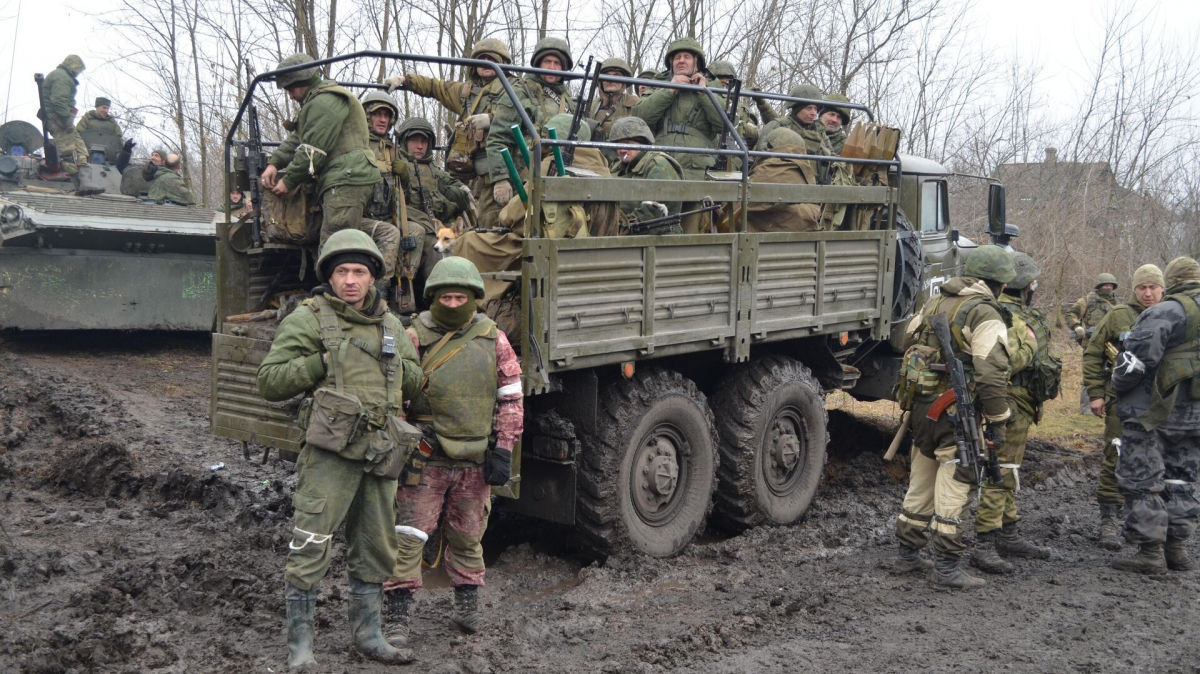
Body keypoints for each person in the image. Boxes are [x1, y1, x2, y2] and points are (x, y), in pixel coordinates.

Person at [256, 229, 423, 667]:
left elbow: (416, 382)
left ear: (373, 278)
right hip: (329, 456)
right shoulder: (308, 318)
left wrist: (402, 367)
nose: (351, 280)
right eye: (343, 272)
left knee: (375, 545)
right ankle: (301, 648)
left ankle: (369, 635)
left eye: (360, 272)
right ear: (329, 277)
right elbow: (270, 381)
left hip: (379, 454)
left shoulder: (390, 324)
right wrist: (322, 363)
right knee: (311, 544)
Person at [383, 256, 524, 639]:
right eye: (445, 298)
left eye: (460, 297)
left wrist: (504, 449)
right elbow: (396, 395)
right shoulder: (414, 336)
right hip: (425, 457)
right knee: (409, 535)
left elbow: (511, 396)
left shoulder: (493, 338)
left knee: (468, 534)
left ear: (474, 297)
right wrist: (402, 443)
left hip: (476, 459)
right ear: (433, 298)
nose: (452, 303)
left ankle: (467, 608)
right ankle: (396, 615)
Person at [893, 244, 1015, 590]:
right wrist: (998, 419)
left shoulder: (936, 301)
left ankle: (907, 554)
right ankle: (947, 568)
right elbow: (991, 374)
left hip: (921, 409)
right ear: (1001, 284)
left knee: (921, 479)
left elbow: (905, 338)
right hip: (954, 414)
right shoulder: (985, 313)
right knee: (957, 480)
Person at [259, 54, 394, 273]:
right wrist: (274, 162)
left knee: (335, 246)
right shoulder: (317, 102)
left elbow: (312, 151)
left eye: (290, 89)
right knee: (338, 239)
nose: (291, 95)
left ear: (301, 82)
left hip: (346, 179)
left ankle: (337, 301)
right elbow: (298, 137)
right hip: (344, 178)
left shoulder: (325, 101)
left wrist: (289, 181)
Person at [1110, 256, 1200, 575]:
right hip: (1194, 416)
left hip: (1154, 412)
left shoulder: (1165, 312)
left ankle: (1150, 553)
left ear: (1171, 282)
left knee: (1142, 478)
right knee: (1181, 479)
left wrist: (1117, 388)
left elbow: (1134, 362)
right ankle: (1177, 550)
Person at [970, 252, 1054, 574]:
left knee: (1009, 471)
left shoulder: (1006, 314)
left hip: (1020, 404)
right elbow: (1002, 366)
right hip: (1009, 405)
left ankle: (1009, 531)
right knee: (1000, 471)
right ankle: (985, 543)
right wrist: (1030, 347)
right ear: (1025, 287)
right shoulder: (1008, 319)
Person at [384, 38, 512, 228]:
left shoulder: (514, 90)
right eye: (482, 58)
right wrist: (405, 80)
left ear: (502, 63)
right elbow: (437, 87)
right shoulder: (467, 93)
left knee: (495, 223)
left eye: (492, 59)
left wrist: (493, 120)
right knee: (475, 223)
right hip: (470, 170)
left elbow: (525, 118)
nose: (486, 63)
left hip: (502, 170)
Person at [1082, 264, 1164, 550]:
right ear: (1134, 289)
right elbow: (1093, 353)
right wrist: (1095, 393)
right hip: (1122, 400)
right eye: (1142, 287)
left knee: (1155, 461)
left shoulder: (1171, 315)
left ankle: (1145, 525)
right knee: (1115, 455)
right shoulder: (1119, 315)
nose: (1148, 293)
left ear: (1162, 288)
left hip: (1161, 402)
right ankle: (1108, 521)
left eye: (1153, 287)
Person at [486, 37, 576, 208]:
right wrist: (501, 179)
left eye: (557, 63)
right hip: (525, 180)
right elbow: (498, 137)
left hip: (561, 180)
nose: (552, 67)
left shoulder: (569, 101)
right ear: (537, 64)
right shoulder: (521, 92)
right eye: (547, 62)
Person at [632, 37, 724, 184]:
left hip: (698, 168)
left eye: (687, 57)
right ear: (671, 63)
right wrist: (669, 90)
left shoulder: (712, 86)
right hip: (660, 163)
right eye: (677, 57)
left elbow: (725, 124)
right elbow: (640, 118)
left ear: (697, 62)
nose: (681, 60)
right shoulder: (657, 83)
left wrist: (704, 92)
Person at [396, 116, 473, 292]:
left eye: (424, 141)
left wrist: (449, 193)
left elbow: (461, 194)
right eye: (414, 140)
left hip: (440, 224)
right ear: (405, 142)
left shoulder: (435, 170)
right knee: (434, 249)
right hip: (413, 222)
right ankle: (437, 294)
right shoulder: (398, 165)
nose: (420, 146)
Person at [608, 115, 683, 233]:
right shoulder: (618, 166)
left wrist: (622, 227)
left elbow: (653, 211)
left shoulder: (658, 164)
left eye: (627, 143)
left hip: (655, 237)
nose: (622, 150)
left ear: (642, 142)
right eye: (618, 144)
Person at [757, 83, 836, 183]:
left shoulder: (819, 131)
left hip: (819, 187)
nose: (813, 113)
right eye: (809, 108)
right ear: (797, 108)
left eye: (816, 109)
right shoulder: (778, 125)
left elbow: (833, 159)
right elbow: (761, 155)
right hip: (784, 183)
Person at [41, 54, 88, 175]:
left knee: (79, 148)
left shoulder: (63, 76)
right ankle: (72, 178)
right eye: (78, 68)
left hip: (61, 118)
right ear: (72, 65)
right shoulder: (62, 77)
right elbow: (58, 100)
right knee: (68, 152)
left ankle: (83, 175)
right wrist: (67, 120)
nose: (78, 72)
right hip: (58, 119)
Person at [589, 57, 639, 159]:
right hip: (593, 159)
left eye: (616, 76)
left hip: (621, 161)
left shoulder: (635, 104)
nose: (611, 80)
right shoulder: (591, 106)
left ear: (624, 82)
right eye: (606, 76)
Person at [707, 60, 763, 148]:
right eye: (722, 84)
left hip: (733, 147)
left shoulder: (737, 105)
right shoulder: (703, 96)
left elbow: (754, 133)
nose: (724, 88)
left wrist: (743, 126)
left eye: (728, 85)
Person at [1067, 273, 1119, 349]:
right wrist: (1077, 327)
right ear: (1099, 286)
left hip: (1113, 343)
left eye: (1111, 285)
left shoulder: (1117, 302)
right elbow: (1071, 314)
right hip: (1092, 342)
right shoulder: (1087, 300)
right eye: (1106, 285)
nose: (1108, 288)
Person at [76, 96, 126, 163]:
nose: (106, 111)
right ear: (97, 107)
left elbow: (118, 139)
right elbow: (77, 135)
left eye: (107, 108)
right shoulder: (87, 119)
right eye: (104, 108)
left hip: (108, 157)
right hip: (87, 155)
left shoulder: (112, 122)